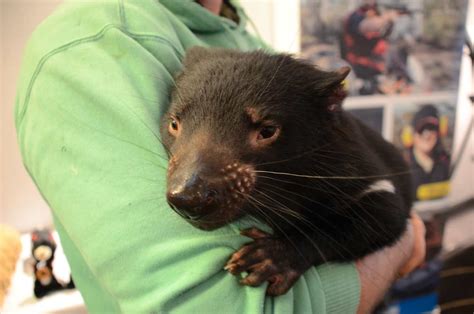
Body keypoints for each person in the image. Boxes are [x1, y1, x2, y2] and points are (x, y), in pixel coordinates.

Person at [15, 0, 425, 312]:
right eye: (176, 126)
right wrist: (405, 245)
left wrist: (300, 250)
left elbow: (383, 208)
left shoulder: (246, 40)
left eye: (263, 131)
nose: (183, 185)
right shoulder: (92, 42)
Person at [341, 0, 399, 94]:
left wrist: (389, 22)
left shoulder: (375, 14)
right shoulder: (354, 17)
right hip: (358, 69)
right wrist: (386, 17)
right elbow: (367, 26)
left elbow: (383, 34)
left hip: (377, 69)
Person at [410, 105, 451, 200]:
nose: (427, 135)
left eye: (432, 128)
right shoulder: (400, 167)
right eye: (422, 130)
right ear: (412, 134)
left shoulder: (448, 163)